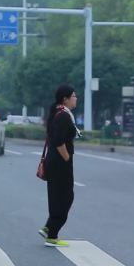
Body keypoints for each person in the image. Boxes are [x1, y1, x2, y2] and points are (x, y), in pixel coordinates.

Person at [39, 85, 79, 247]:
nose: (76, 99)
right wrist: (66, 156)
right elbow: (58, 140)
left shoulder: (60, 113)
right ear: (65, 99)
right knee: (64, 198)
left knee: (59, 197)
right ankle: (51, 232)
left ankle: (50, 229)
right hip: (60, 163)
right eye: (74, 96)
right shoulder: (63, 116)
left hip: (55, 162)